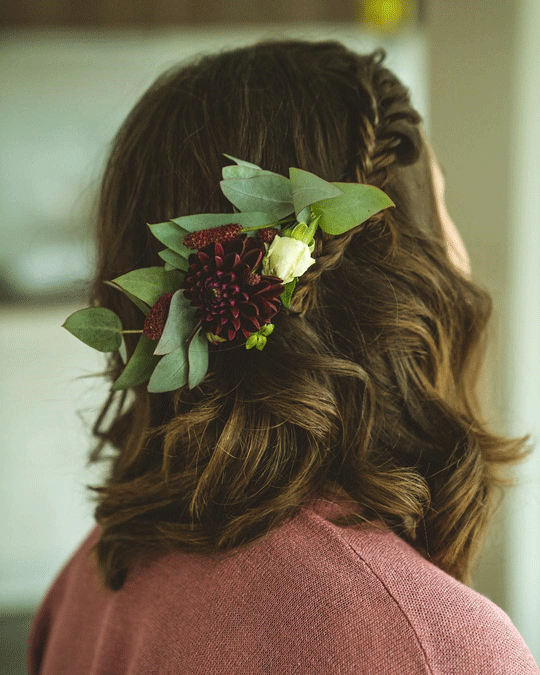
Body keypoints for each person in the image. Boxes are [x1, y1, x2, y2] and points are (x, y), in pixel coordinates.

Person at [26, 38, 539, 674]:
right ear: (407, 273)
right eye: (441, 204)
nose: (463, 260)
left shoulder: (95, 576)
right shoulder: (427, 645)